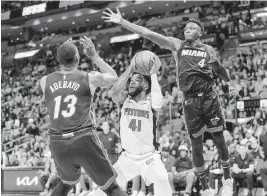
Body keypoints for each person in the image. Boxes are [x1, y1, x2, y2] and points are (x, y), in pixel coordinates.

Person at [102, 8, 239, 196]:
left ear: (201, 32)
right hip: (190, 101)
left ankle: (227, 178)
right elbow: (148, 33)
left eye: (192, 27)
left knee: (219, 138)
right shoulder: (177, 45)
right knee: (196, 146)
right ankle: (205, 188)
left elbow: (220, 69)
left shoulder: (208, 50)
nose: (187, 30)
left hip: (209, 97)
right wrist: (122, 22)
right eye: (186, 28)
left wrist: (230, 82)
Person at [39, 37, 128, 196]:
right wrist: (94, 55)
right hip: (83, 137)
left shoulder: (44, 81)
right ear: (78, 58)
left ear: (59, 59)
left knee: (66, 184)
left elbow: (58, 75)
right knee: (112, 188)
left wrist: (65, 48)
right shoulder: (89, 77)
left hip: (57, 141)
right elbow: (114, 77)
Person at [93, 52, 172, 196]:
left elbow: (159, 102)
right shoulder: (124, 100)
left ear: (146, 85)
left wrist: (153, 74)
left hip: (149, 158)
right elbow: (115, 91)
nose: (132, 82)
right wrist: (131, 67)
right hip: (127, 159)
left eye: (137, 80)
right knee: (102, 191)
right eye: (132, 80)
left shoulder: (150, 104)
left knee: (162, 179)